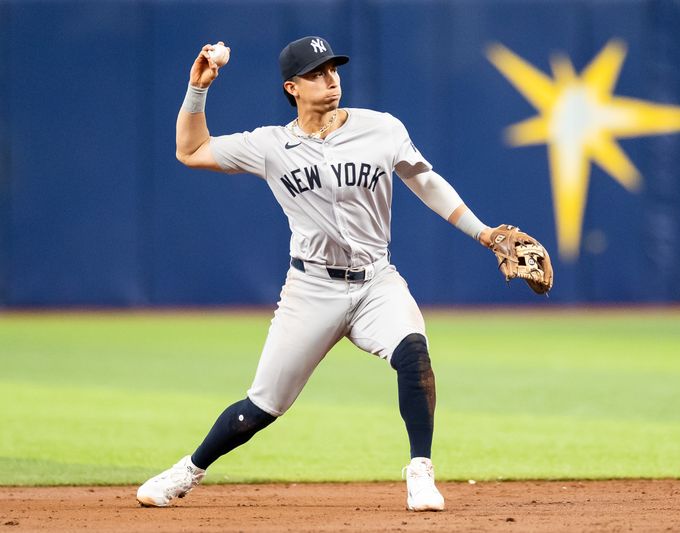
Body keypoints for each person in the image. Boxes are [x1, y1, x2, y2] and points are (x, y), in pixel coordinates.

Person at [136, 36, 496, 512]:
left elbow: (425, 181)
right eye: (317, 73)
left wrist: (485, 234)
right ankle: (189, 469)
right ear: (293, 87)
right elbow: (190, 150)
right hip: (311, 289)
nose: (331, 79)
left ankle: (420, 472)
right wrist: (197, 90)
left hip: (375, 282)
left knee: (414, 352)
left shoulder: (381, 128)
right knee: (263, 405)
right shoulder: (270, 145)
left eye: (333, 70)